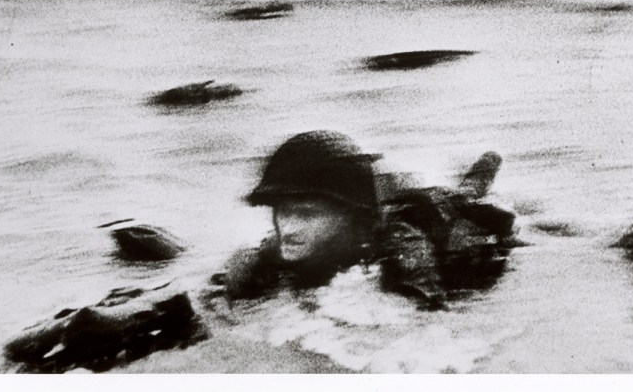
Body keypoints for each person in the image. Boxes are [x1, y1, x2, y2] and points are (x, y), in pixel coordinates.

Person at [202, 130, 520, 312]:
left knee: (466, 202)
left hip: (447, 229)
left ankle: (480, 175)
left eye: (307, 214)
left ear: (351, 215)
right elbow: (220, 296)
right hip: (384, 207)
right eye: (282, 210)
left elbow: (429, 319)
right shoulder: (280, 248)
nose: (289, 227)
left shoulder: (402, 245)